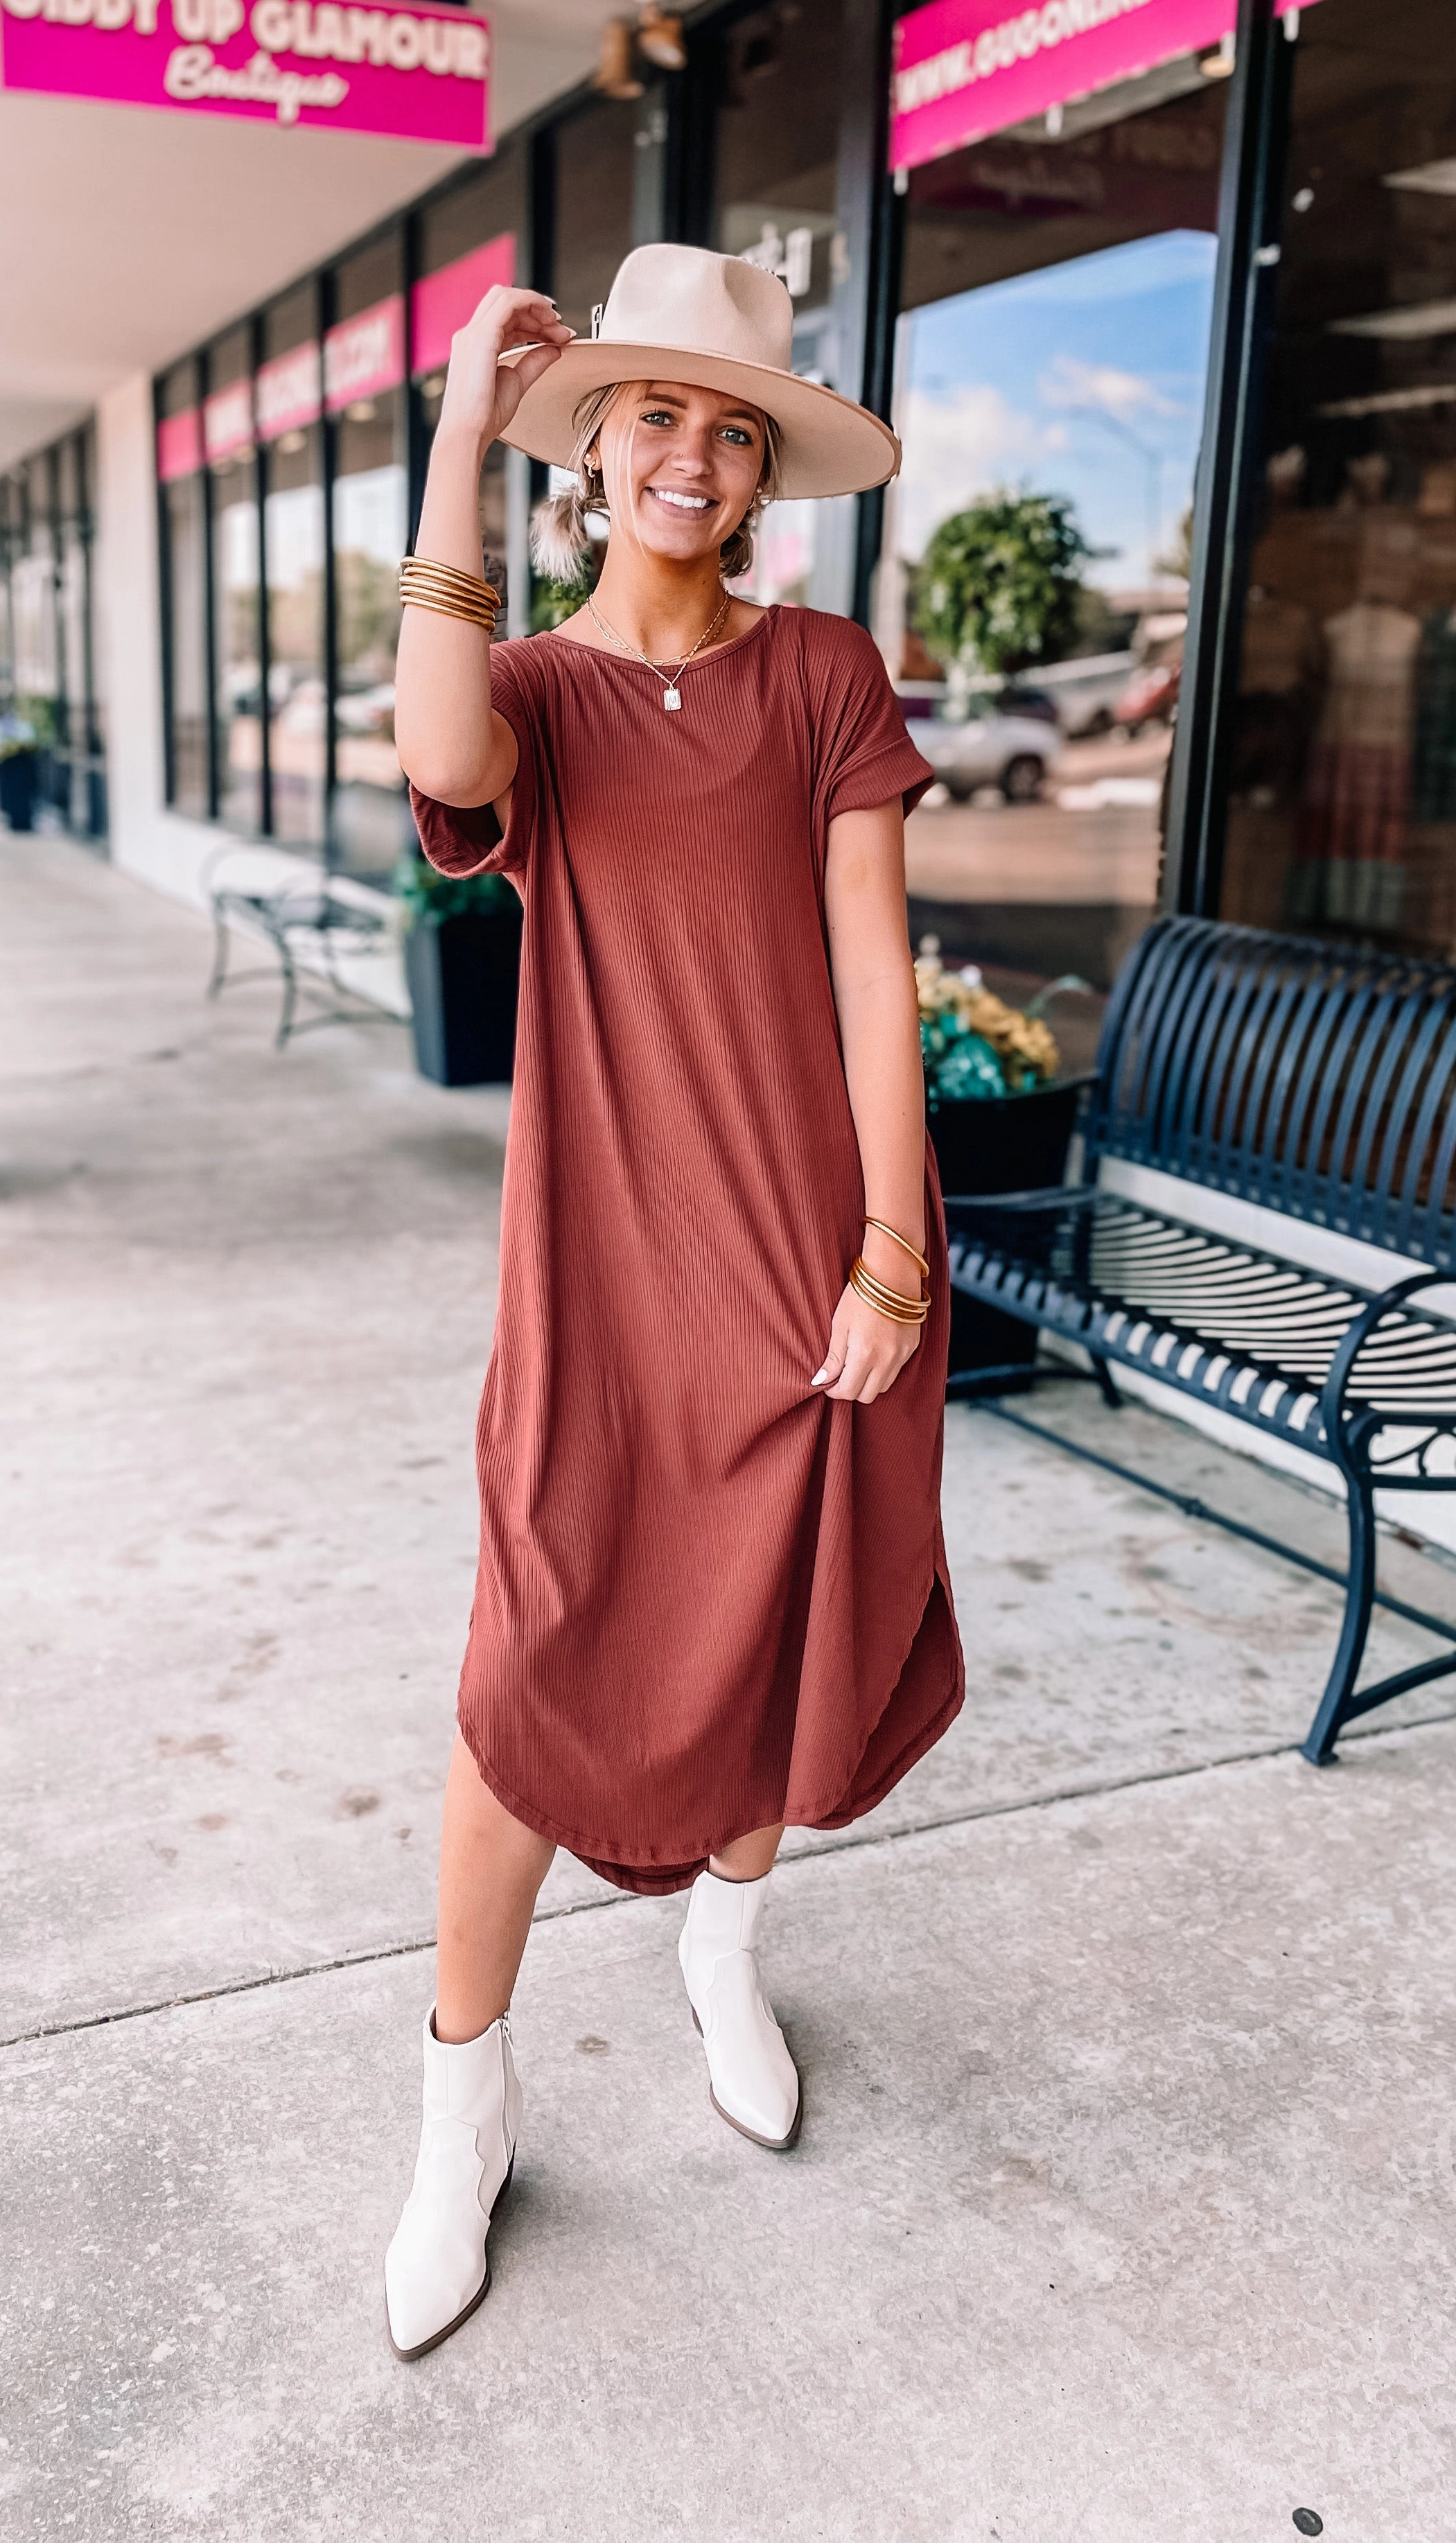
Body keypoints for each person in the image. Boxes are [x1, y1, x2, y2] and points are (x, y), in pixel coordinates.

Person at [384, 244, 962, 2361]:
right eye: (654, 416)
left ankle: (725, 1948)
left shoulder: (821, 676)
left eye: (733, 427)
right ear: (592, 448)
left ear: (765, 468)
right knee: (533, 1662)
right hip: (606, 1257)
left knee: (760, 1640)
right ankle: (465, 2101)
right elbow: (435, 737)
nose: (693, 456)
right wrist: (460, 424)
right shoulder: (529, 694)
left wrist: (893, 1245)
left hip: (813, 1251)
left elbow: (875, 978)